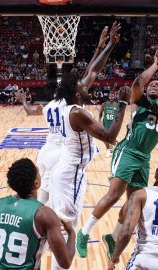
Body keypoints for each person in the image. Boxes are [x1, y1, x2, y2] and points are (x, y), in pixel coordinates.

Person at [76, 44, 158, 259]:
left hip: (144, 158)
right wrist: (156, 64)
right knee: (114, 195)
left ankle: (113, 236)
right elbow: (137, 83)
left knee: (132, 200)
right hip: (128, 150)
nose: (153, 85)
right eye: (151, 84)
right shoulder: (139, 102)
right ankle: (84, 232)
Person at [50, 22, 131, 270]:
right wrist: (122, 105)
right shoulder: (77, 114)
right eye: (82, 86)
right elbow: (108, 136)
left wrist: (106, 46)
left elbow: (92, 70)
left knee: (65, 226)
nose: (87, 85)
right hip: (70, 173)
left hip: (70, 170)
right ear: (76, 93)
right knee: (66, 229)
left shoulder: (69, 103)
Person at [15, 25, 110, 205]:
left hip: (45, 152)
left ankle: (34, 222)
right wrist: (101, 47)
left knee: (43, 193)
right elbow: (92, 71)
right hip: (61, 152)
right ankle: (49, 225)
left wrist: (23, 99)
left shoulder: (48, 106)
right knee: (58, 200)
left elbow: (29, 111)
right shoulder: (70, 105)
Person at [0, 158, 76, 270]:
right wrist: (71, 233)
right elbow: (65, 263)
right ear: (36, 183)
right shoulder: (44, 214)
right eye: (39, 173)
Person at [108, 160, 158, 270]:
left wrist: (113, 258)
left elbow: (126, 232)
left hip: (145, 259)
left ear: (156, 173)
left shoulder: (140, 195)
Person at [99, 91, 118, 157]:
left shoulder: (117, 105)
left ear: (114, 96)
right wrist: (99, 121)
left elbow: (119, 115)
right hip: (105, 123)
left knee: (112, 138)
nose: (111, 97)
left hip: (113, 124)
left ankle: (111, 150)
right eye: (110, 96)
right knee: (105, 138)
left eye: (113, 96)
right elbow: (100, 113)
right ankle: (108, 150)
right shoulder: (104, 104)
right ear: (108, 96)